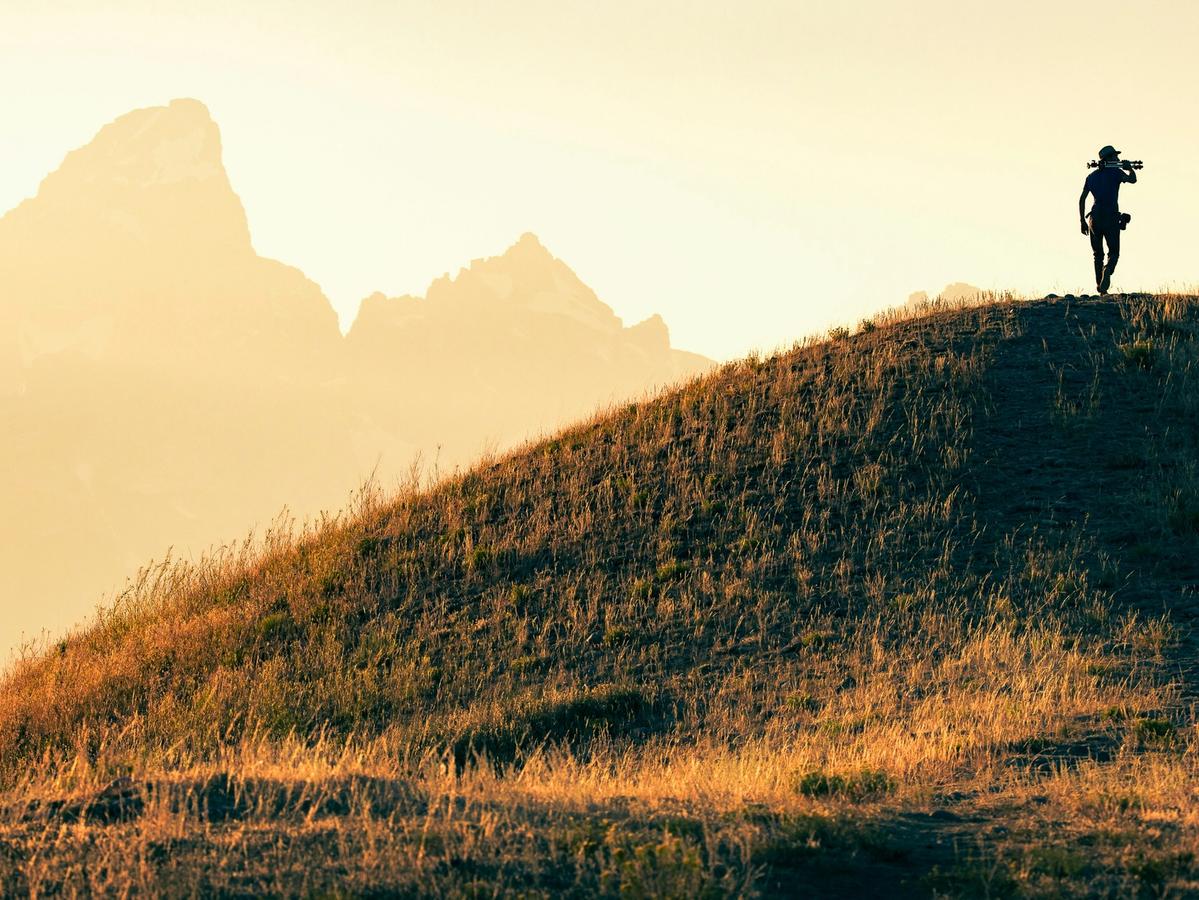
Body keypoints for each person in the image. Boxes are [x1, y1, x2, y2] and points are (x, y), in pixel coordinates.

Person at [1079, 145, 1137, 295]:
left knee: (1097, 254)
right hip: (1111, 215)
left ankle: (1101, 288)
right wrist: (1129, 168)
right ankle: (1108, 270)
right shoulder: (1116, 173)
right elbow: (1133, 179)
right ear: (1109, 158)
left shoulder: (1091, 177)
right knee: (1114, 252)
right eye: (1115, 157)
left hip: (1095, 217)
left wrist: (1082, 221)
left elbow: (1082, 199)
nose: (1117, 159)